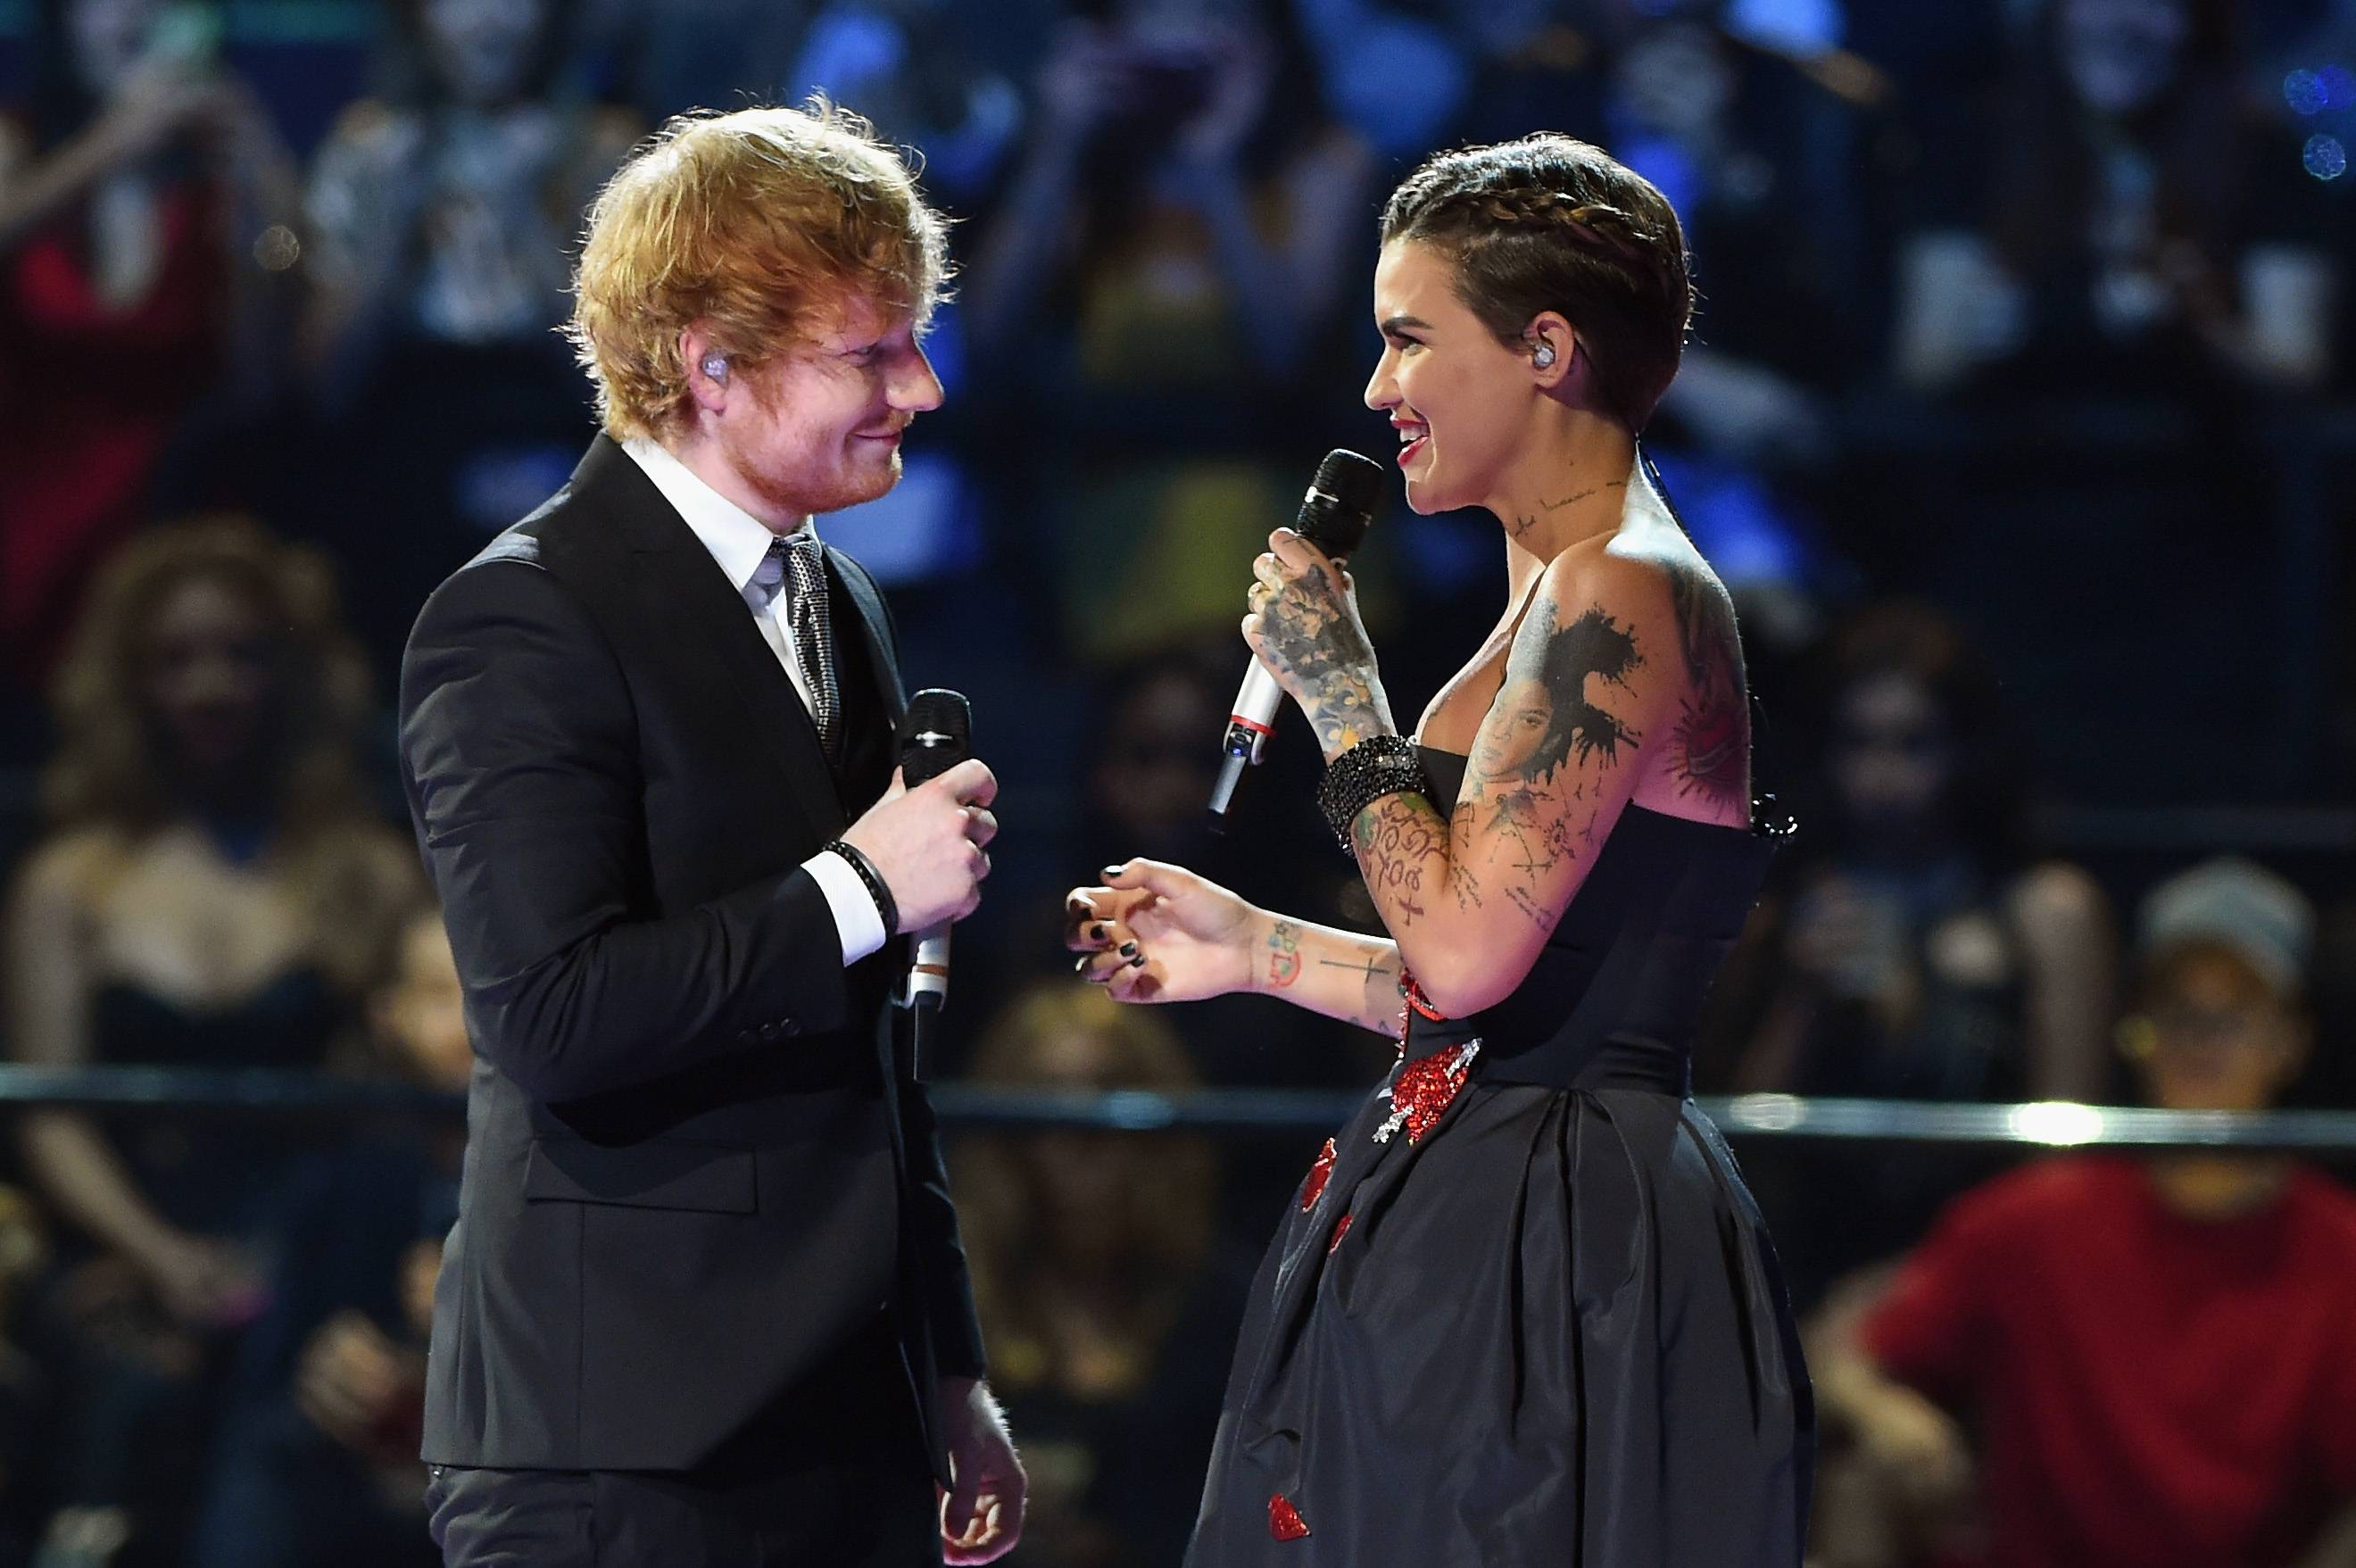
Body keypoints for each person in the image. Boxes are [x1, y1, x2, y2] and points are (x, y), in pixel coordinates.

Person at [1067, 133, 1810, 1565]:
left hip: (1565, 1236)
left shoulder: (1625, 588)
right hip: (1496, 1188)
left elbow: (1466, 958)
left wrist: (1343, 693)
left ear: (1545, 349)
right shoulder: (1559, 590)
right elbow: (1497, 985)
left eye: (1409, 338)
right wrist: (1254, 947)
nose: (1376, 388)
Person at [398, 102, 1022, 1567]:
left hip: (843, 1419)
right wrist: (861, 885)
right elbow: (552, 1015)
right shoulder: (523, 615)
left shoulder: (837, 598)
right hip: (621, 1437)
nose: (923, 388)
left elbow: (878, 1052)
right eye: (871, 352)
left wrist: (947, 1366)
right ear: (711, 364)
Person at [2, 514, 422, 1559]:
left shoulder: (365, 871)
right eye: (176, 659)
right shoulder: (69, 880)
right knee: (125, 1390)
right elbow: (50, 1113)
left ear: (293, 670)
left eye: (242, 654)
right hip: (118, 1238)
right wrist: (156, 1253)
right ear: (128, 680)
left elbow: (410, 1086)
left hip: (315, 1245)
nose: (211, 686)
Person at [1809, 858, 2356, 1568]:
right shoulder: (2034, 1221)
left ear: (2290, 1040)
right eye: (2178, 1011)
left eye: (2233, 1015)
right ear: (2137, 1031)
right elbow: (1842, 1349)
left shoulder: (2339, 1247)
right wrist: (1884, 1411)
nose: (2201, 1041)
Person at [186, 904, 469, 1568]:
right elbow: (278, 1358)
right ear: (388, 1015)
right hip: (362, 1470)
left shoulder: (582, 1169)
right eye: (439, 995)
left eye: (486, 990)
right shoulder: (349, 1175)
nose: (469, 1024)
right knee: (267, 1450)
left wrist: (475, 1327)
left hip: (517, 1456)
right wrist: (325, 1375)